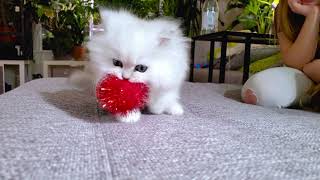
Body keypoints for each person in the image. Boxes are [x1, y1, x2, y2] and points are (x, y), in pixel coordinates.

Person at [242, 0, 320, 110]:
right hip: (304, 74)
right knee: (259, 88)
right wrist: (314, 14)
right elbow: (296, 63)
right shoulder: (283, 10)